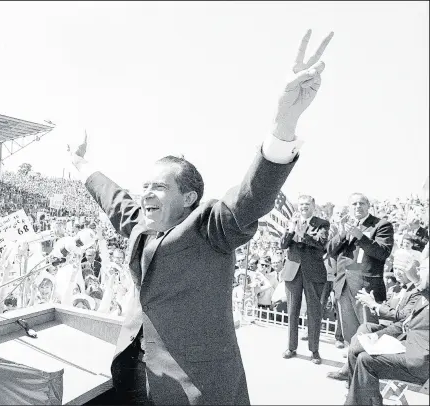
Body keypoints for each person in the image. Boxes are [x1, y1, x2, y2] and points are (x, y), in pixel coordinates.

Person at [68, 29, 333, 405]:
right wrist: (80, 164)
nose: (146, 193)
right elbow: (115, 200)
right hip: (135, 380)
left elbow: (251, 198)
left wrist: (284, 124)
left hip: (196, 390)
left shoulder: (210, 228)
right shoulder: (143, 229)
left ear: (189, 196)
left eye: (158, 187)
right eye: (145, 186)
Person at [344, 257, 429, 405]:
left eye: (422, 270)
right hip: (409, 348)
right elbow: (405, 323)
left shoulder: (422, 294)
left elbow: (401, 319)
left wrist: (415, 280)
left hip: (419, 362)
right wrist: (376, 337)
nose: (418, 273)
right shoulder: (421, 296)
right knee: (362, 346)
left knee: (365, 360)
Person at [329, 193, 394, 344]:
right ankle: (351, 365)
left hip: (365, 285)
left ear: (368, 206)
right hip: (343, 283)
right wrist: (342, 234)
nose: (357, 206)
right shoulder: (347, 225)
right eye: (354, 204)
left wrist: (360, 236)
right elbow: (330, 250)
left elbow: (383, 252)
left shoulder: (381, 225)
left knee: (367, 332)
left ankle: (366, 366)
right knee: (349, 332)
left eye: (361, 203)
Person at [279, 195, 329, 364]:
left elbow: (321, 243)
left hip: (313, 272)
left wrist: (301, 233)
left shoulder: (322, 223)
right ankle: (291, 347)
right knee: (292, 311)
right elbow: (283, 245)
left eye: (307, 204)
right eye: (301, 204)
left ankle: (314, 350)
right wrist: (291, 230)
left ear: (313, 206)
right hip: (293, 271)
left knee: (314, 312)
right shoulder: (291, 222)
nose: (303, 207)